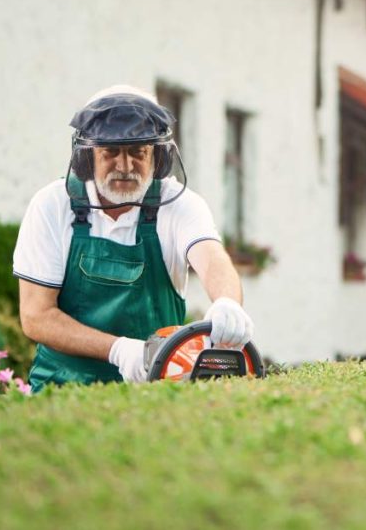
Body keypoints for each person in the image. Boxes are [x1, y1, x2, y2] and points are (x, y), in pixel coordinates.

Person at [13, 84, 253, 392]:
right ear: (87, 157)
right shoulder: (51, 206)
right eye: (110, 152)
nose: (125, 167)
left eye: (139, 153)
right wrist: (119, 350)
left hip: (155, 389)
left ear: (159, 157)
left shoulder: (178, 204)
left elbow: (211, 258)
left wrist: (227, 302)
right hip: (60, 388)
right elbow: (36, 316)